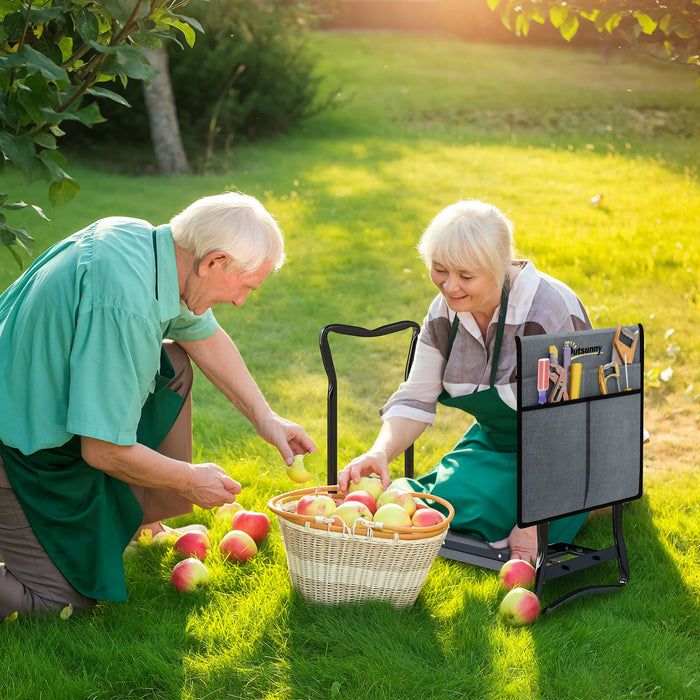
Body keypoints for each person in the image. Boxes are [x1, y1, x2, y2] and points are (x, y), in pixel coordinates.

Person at [0, 192, 315, 617]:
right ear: (214, 262)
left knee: (174, 365)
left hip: (34, 402)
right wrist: (187, 479)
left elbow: (205, 337)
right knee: (59, 603)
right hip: (17, 444)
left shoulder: (146, 245)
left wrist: (266, 417)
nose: (241, 301)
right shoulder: (126, 306)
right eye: (244, 286)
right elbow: (103, 449)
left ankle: (142, 524)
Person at [338, 199, 592, 563]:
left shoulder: (547, 313)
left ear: (499, 268)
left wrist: (534, 519)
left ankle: (597, 499)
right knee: (446, 501)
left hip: (564, 455)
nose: (449, 286)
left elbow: (567, 430)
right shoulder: (445, 311)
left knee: (486, 509)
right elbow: (416, 397)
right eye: (439, 270)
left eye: (466, 276)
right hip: (493, 443)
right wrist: (380, 451)